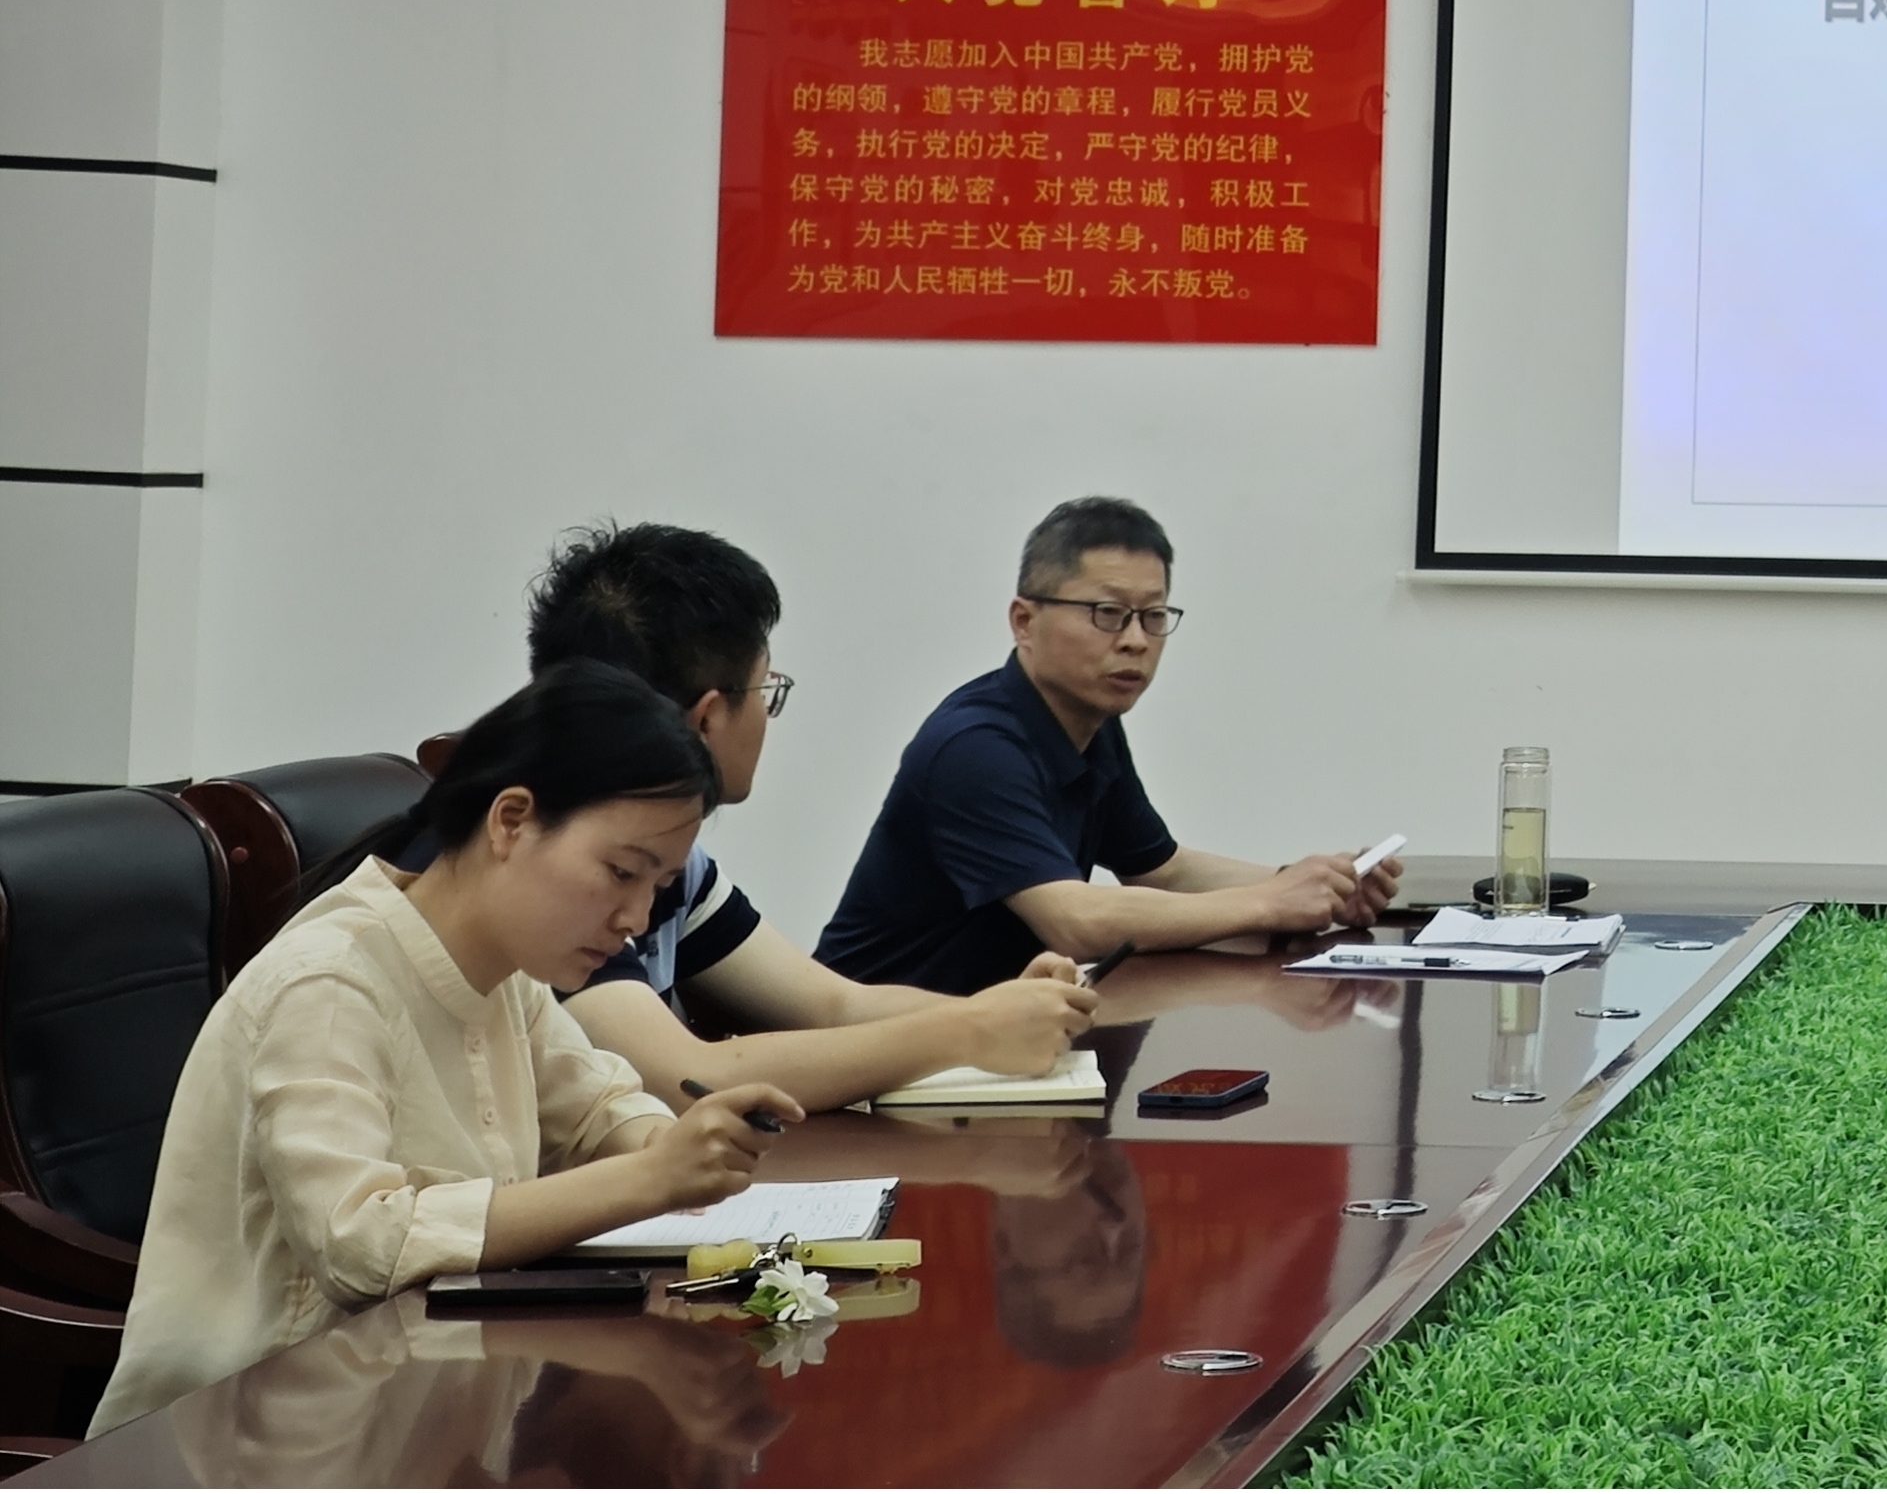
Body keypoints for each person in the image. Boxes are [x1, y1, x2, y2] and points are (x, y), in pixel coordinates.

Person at [98, 666, 801, 1431]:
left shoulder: (506, 972)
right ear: (511, 821)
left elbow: (599, 1109)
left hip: (418, 1411)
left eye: (656, 887)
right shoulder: (329, 983)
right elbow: (363, 1244)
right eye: (620, 872)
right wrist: (651, 1177)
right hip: (250, 1441)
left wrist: (673, 1145)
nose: (634, 916)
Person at [503, 523, 1098, 1110]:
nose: (767, 715)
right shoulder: (550, 867)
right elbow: (691, 1079)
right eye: (764, 690)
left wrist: (1001, 1011)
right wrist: (969, 1032)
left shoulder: (670, 864)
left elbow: (833, 1006)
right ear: (707, 718)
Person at [819, 497, 1398, 992]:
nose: (1135, 641)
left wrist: (1309, 884)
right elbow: (1076, 922)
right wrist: (1270, 902)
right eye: (1108, 613)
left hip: (988, 1032)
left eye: (1153, 616)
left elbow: (1162, 870)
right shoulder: (975, 747)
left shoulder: (1091, 723)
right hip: (876, 1049)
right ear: (1024, 621)